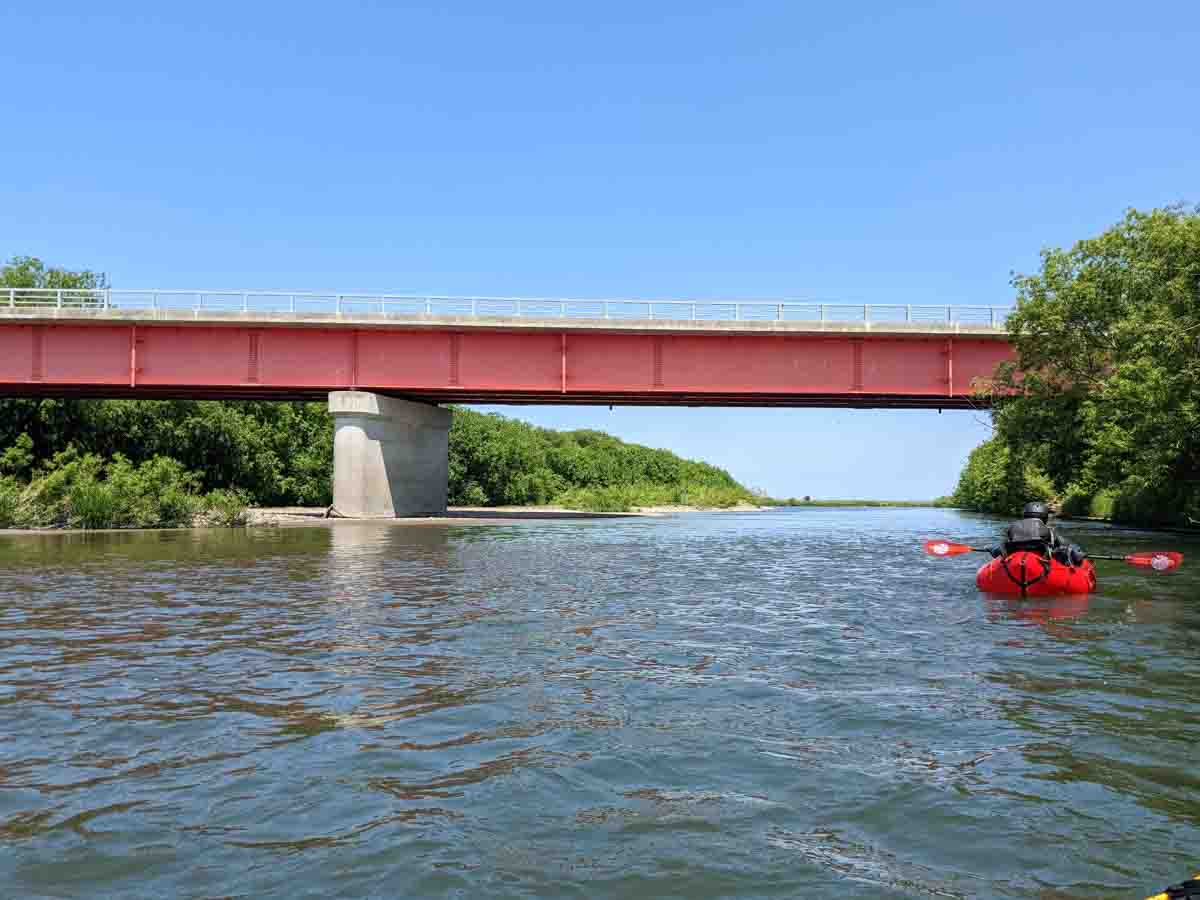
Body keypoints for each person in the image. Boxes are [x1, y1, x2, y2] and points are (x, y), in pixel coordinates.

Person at [992, 501, 1086, 566]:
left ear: (1025, 514)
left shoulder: (1012, 526)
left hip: (1014, 561)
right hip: (1040, 561)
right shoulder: (1049, 530)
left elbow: (1003, 545)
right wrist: (1076, 550)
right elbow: (1066, 544)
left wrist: (993, 549)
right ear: (1045, 517)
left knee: (998, 547)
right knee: (1068, 549)